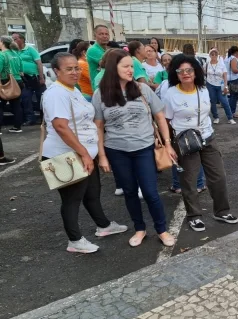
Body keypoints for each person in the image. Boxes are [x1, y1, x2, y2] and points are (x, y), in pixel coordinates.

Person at [42, 52, 127, 253]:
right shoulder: (56, 93)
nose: (75, 72)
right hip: (67, 156)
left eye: (77, 68)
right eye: (68, 69)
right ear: (56, 71)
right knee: (72, 199)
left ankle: (104, 226)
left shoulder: (73, 90)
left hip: (84, 153)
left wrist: (91, 152)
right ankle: (75, 240)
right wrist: (84, 154)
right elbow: (61, 126)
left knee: (92, 193)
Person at [93, 49, 176, 248]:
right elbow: (98, 126)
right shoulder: (101, 94)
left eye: (132, 66)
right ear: (114, 68)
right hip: (116, 150)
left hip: (144, 149)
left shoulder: (142, 89)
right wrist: (102, 156)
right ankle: (140, 229)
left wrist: (168, 143)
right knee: (130, 192)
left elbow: (160, 117)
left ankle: (162, 230)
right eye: (126, 66)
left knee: (150, 192)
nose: (131, 70)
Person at [163, 54, 238, 231]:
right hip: (185, 142)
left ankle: (222, 211)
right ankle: (194, 216)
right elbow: (165, 121)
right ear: (176, 74)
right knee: (189, 180)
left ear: (196, 72)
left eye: (189, 70)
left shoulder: (203, 89)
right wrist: (168, 144)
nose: (185, 74)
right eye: (180, 71)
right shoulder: (170, 94)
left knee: (218, 176)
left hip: (208, 138)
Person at [12, 32, 44, 125]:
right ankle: (30, 119)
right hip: (24, 79)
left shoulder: (30, 49)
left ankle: (44, 119)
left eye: (15, 39)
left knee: (41, 98)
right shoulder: (15, 51)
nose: (13, 41)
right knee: (26, 98)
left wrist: (41, 77)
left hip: (35, 77)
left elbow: (39, 63)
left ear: (21, 39)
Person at [204, 48, 235, 124]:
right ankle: (216, 117)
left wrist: (225, 86)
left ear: (217, 55)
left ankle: (230, 118)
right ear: (210, 55)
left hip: (220, 85)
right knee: (212, 101)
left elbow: (225, 75)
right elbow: (203, 73)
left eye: (215, 54)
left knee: (224, 101)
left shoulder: (221, 64)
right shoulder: (207, 64)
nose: (214, 56)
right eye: (212, 54)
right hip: (210, 84)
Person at [0, 35, 24, 133]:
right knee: (16, 105)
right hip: (18, 81)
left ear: (2, 42)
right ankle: (17, 127)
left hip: (6, 82)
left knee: (0, 106)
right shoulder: (15, 53)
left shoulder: (2, 55)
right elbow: (21, 70)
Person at [87, 25, 111, 90]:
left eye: (107, 34)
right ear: (95, 36)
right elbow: (110, 64)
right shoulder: (93, 50)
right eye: (101, 34)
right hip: (100, 86)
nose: (105, 36)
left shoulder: (106, 49)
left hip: (109, 84)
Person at [225, 46, 238, 118]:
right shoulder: (233, 59)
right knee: (234, 97)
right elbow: (234, 70)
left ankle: (230, 112)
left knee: (232, 96)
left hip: (230, 79)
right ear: (236, 52)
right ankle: (231, 112)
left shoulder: (228, 58)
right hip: (234, 79)